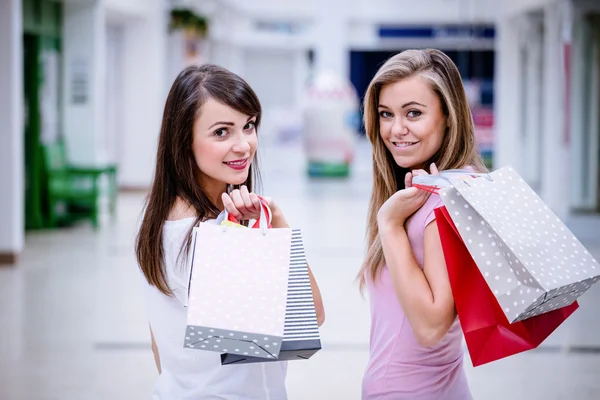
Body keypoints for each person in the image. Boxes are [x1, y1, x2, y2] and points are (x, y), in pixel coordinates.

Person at [135, 64, 325, 400]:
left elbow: (160, 348)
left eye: (248, 126)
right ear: (184, 140)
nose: (243, 145)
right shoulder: (203, 235)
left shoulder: (163, 219)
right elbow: (309, 317)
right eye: (221, 132)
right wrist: (278, 227)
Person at [358, 49, 486, 400]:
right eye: (386, 114)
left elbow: (431, 326)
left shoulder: (444, 200)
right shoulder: (439, 191)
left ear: (448, 115)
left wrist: (389, 223)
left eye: (413, 113)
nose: (396, 130)